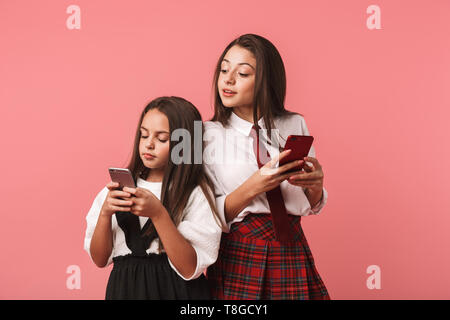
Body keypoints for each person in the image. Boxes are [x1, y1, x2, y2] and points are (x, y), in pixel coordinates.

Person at [204, 34, 330, 299]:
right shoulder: (203, 135)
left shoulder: (295, 124)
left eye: (243, 73)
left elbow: (308, 204)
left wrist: (316, 186)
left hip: (292, 249)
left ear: (265, 80)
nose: (227, 80)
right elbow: (203, 214)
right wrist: (253, 187)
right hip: (239, 253)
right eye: (224, 70)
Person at [84, 96, 222, 299]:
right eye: (143, 135)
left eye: (162, 139)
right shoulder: (116, 190)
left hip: (177, 291)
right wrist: (105, 214)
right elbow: (99, 259)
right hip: (125, 289)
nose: (148, 145)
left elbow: (189, 268)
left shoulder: (195, 193)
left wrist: (158, 214)